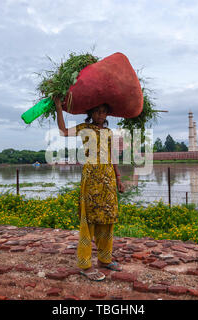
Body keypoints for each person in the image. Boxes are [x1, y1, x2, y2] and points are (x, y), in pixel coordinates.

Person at [54, 97, 125, 281]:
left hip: (108, 177)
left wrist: (118, 178)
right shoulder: (84, 128)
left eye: (104, 111)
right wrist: (58, 109)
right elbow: (62, 131)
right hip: (92, 176)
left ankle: (104, 258)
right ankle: (85, 264)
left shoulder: (109, 132)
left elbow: (112, 156)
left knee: (107, 218)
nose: (101, 115)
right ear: (91, 113)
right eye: (97, 111)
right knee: (89, 219)